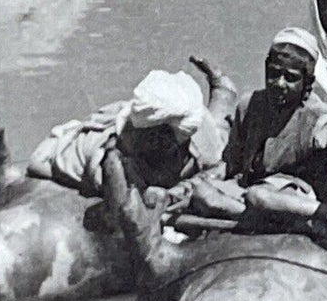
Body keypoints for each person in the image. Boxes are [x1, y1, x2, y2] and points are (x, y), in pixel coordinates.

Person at [25, 65, 227, 202]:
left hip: (177, 137)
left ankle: (222, 89)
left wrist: (185, 188)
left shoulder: (195, 126)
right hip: (103, 148)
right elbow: (134, 203)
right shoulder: (117, 153)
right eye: (162, 138)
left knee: (221, 129)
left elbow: (218, 164)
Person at [223, 28, 327, 198]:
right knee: (202, 192)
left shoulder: (317, 117)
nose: (279, 83)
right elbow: (232, 163)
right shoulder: (249, 105)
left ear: (308, 83)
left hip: (295, 195)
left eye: (290, 78)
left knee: (260, 197)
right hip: (250, 190)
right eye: (274, 74)